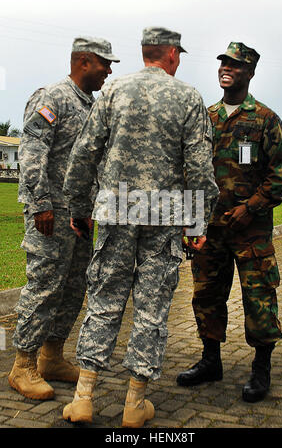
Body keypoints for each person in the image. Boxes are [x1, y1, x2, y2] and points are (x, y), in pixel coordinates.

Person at [62, 26, 219, 427]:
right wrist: (197, 223)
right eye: (178, 54)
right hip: (163, 215)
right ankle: (134, 403)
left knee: (103, 300)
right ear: (169, 54)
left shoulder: (113, 92)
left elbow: (85, 152)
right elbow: (200, 168)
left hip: (116, 209)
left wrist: (79, 207)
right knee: (151, 307)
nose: (179, 60)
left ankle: (83, 398)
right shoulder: (188, 97)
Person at [176, 42, 282, 403]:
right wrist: (189, 222)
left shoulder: (264, 119)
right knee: (206, 296)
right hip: (210, 230)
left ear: (250, 73)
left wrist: (252, 206)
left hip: (251, 232)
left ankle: (261, 370)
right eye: (224, 63)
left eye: (236, 65)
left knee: (259, 298)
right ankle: (210, 361)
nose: (227, 68)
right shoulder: (205, 118)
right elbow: (187, 173)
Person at [8, 36, 120, 401]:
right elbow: (32, 150)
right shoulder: (52, 97)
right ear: (84, 61)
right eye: (105, 63)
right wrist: (40, 203)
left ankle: (51, 357)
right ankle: (22, 365)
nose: (109, 70)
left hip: (80, 218)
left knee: (72, 289)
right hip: (50, 216)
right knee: (43, 286)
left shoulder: (92, 105)